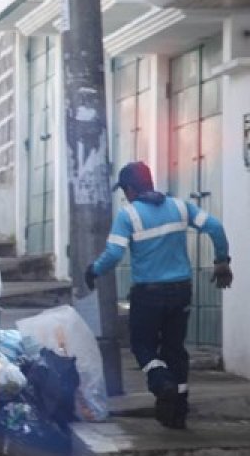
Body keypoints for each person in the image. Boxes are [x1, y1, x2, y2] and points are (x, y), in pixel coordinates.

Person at [84, 161, 231, 430]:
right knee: (175, 349)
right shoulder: (179, 206)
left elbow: (115, 254)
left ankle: (162, 383)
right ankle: (177, 412)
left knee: (143, 346)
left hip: (148, 293)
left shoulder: (128, 215)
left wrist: (93, 270)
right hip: (181, 290)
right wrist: (222, 261)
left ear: (130, 188)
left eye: (124, 190)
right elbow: (215, 227)